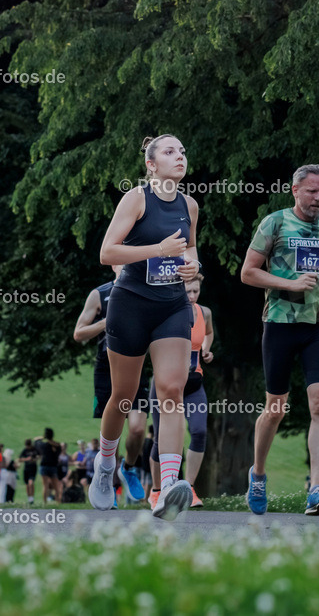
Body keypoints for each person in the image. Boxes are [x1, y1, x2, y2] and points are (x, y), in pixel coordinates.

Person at [93, 133, 200, 520]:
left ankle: (168, 485)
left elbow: (190, 248)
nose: (180, 157)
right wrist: (157, 250)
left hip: (171, 306)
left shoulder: (189, 205)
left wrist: (193, 266)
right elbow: (108, 253)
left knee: (172, 389)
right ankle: (105, 468)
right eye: (170, 151)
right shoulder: (137, 199)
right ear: (151, 164)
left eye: (182, 151)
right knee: (123, 397)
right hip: (131, 305)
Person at [241, 164, 319, 516]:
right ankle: (257, 475)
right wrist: (289, 284)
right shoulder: (274, 223)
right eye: (312, 191)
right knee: (275, 409)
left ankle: (316, 490)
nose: (318, 198)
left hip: (318, 324)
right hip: (279, 323)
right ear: (295, 190)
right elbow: (248, 273)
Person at [73, 264, 151, 504]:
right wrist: (107, 321)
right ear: (114, 264)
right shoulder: (100, 294)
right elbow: (79, 333)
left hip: (138, 363)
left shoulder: (147, 290)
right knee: (113, 430)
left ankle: (128, 468)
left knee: (138, 428)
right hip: (107, 366)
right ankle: (108, 482)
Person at [147, 273, 214, 509]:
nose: (193, 296)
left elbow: (208, 333)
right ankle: (157, 491)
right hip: (166, 385)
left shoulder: (204, 312)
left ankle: (189, 488)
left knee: (198, 432)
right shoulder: (165, 311)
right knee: (159, 439)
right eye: (188, 291)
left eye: (196, 291)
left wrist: (206, 350)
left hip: (193, 384)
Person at [34, 428, 62, 504]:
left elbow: (35, 440)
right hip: (53, 466)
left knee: (45, 486)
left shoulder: (43, 445)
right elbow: (59, 447)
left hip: (44, 466)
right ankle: (58, 502)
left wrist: (43, 437)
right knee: (56, 486)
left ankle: (45, 502)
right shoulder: (56, 445)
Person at [19, 439, 39, 504]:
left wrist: (34, 459)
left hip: (33, 468)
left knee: (31, 483)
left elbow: (39, 456)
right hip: (26, 469)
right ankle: (29, 498)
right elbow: (19, 459)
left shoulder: (34, 450)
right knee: (27, 484)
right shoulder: (25, 450)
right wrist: (27, 459)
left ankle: (32, 498)